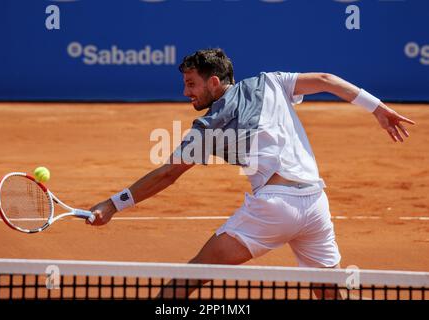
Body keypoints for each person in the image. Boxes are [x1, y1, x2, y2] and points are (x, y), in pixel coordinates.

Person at [87, 48, 415, 299]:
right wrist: (379, 108)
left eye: (191, 84)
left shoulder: (207, 126)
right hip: (316, 204)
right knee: (329, 289)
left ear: (214, 82)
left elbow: (168, 174)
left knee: (188, 278)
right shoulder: (271, 81)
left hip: (274, 208)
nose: (187, 92)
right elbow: (327, 81)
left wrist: (113, 205)